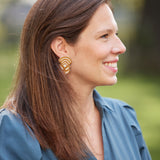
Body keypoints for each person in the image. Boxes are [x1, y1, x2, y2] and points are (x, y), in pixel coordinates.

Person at [0, 0, 151, 160]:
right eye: (104, 36)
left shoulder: (125, 118)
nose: (121, 47)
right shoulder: (14, 130)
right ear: (62, 47)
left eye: (116, 34)